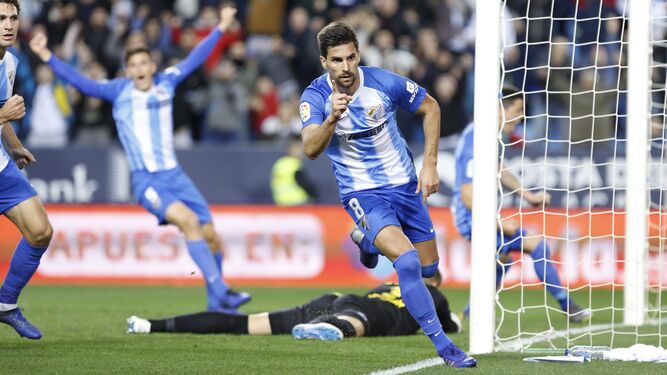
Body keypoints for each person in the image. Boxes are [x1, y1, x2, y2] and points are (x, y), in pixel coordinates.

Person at [29, 7, 250, 312]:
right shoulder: (119, 91)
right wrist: (46, 56)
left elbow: (195, 58)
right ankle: (223, 290)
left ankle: (217, 303)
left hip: (175, 174)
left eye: (144, 62)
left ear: (152, 64)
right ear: (127, 71)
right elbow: (81, 82)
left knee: (211, 234)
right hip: (146, 179)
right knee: (188, 222)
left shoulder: (167, 81)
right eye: (134, 65)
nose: (141, 68)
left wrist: (221, 27)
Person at [298, 22, 475, 368]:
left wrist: (430, 165)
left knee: (430, 272)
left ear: (358, 54)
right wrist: (332, 118)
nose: (346, 67)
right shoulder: (315, 98)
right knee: (406, 262)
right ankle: (445, 347)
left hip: (405, 188)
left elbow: (432, 107)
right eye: (337, 60)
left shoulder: (383, 82)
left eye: (351, 57)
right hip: (362, 193)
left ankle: (366, 240)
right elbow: (310, 148)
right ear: (324, 62)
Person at [452, 85, 592, 323]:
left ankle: (471, 311)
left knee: (504, 260)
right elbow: (467, 194)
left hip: (475, 214)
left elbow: (498, 168)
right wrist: (497, 223)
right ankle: (569, 307)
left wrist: (528, 195)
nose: (520, 117)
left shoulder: (485, 134)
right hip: (470, 217)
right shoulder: (476, 138)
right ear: (499, 109)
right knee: (536, 246)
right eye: (517, 110)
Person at [126, 271, 462, 339]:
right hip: (359, 311)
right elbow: (451, 325)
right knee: (357, 322)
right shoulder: (434, 295)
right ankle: (328, 328)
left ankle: (150, 325)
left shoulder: (390, 283)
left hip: (334, 299)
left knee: (243, 324)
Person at [0, 0, 53, 340]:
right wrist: (4, 115)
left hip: (1, 168)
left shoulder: (9, 62)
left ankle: (4, 304)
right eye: (0, 18)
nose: (8, 24)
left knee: (40, 231)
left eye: (13, 17)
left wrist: (14, 144)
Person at [270, 136, 317, 206]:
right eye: (299, 149)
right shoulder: (294, 164)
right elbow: (303, 182)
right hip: (298, 202)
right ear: (290, 150)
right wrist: (314, 194)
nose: (302, 152)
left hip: (281, 203)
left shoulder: (278, 164)